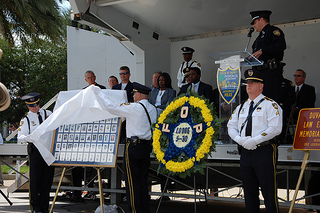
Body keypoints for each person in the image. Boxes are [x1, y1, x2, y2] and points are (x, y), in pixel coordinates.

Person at [94, 82, 157, 213]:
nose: (133, 96)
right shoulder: (153, 108)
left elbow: (111, 107)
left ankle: (134, 211)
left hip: (133, 148)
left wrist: (98, 92)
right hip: (146, 148)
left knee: (132, 183)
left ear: (139, 95)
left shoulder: (134, 107)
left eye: (134, 93)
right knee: (142, 183)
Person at [227, 69, 282, 213]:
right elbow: (231, 126)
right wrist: (239, 139)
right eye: (247, 83)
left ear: (261, 86)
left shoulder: (270, 105)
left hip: (264, 151)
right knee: (249, 192)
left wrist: (255, 140)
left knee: (269, 192)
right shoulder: (241, 107)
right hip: (246, 152)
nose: (248, 85)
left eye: (252, 83)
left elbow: (275, 128)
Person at [17, 92, 54, 213]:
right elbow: (20, 137)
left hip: (48, 151)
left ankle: (44, 207)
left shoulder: (47, 114)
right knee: (35, 181)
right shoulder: (26, 119)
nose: (35, 107)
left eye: (37, 104)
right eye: (32, 106)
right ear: (28, 106)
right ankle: (36, 207)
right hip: (36, 151)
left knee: (47, 180)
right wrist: (30, 137)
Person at [249, 10, 286, 104]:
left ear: (261, 19)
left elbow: (280, 45)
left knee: (271, 101)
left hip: (271, 73)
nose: (253, 25)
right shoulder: (258, 38)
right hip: (259, 74)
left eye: (254, 22)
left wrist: (263, 51)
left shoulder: (273, 31)